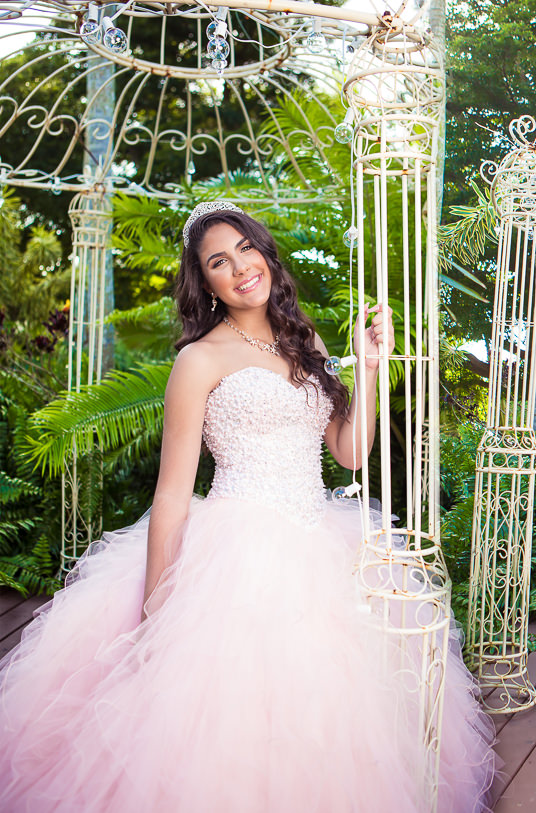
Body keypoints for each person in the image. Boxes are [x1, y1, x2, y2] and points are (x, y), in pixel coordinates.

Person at [0, 202, 496, 812]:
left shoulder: (303, 339)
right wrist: (156, 609)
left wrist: (370, 369)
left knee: (336, 706)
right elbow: (172, 492)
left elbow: (348, 453)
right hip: (238, 546)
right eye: (218, 262)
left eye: (245, 249)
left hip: (321, 535)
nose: (239, 268)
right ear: (203, 282)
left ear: (264, 252)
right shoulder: (199, 359)